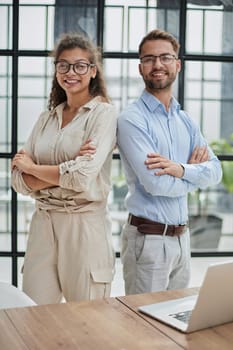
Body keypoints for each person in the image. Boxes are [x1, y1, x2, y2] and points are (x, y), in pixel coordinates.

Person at [11, 33, 117, 304]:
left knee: (87, 321)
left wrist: (33, 167)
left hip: (83, 227)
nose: (71, 72)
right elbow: (18, 181)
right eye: (63, 65)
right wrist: (61, 171)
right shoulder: (46, 118)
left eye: (80, 65)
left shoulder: (104, 114)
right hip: (42, 225)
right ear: (56, 70)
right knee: (33, 317)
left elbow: (81, 177)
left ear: (93, 71)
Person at [117, 29, 222, 295]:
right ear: (140, 68)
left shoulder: (185, 120)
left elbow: (217, 171)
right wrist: (195, 176)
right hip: (148, 240)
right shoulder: (132, 119)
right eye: (150, 59)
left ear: (177, 65)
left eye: (165, 57)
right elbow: (156, 184)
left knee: (173, 323)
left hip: (182, 238)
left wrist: (180, 169)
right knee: (143, 326)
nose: (158, 65)